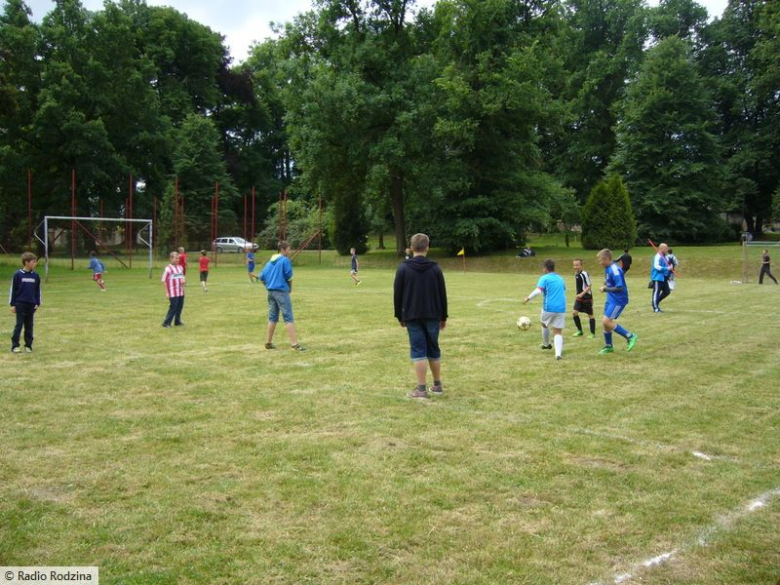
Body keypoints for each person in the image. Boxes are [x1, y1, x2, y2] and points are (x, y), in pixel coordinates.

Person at [394, 233, 448, 398]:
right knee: (433, 348)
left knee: (418, 351)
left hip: (412, 315)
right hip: (433, 314)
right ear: (427, 248)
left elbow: (397, 294)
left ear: (411, 248)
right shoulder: (435, 268)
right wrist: (443, 316)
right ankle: (437, 385)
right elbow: (442, 294)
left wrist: (399, 316)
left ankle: (421, 389)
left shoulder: (403, 268)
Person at [260, 241, 305, 351]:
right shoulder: (285, 260)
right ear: (283, 250)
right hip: (281, 291)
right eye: (288, 249)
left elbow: (261, 276)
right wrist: (290, 288)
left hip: (271, 292)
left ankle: (268, 342)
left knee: (272, 317)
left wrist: (268, 286)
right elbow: (289, 276)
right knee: (288, 317)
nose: (290, 252)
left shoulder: (270, 262)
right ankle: (294, 344)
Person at [596, 248, 638, 355]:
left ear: (606, 259)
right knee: (606, 323)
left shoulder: (615, 270)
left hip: (618, 300)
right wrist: (607, 282)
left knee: (606, 321)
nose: (599, 263)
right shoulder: (608, 268)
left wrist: (605, 289)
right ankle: (609, 346)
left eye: (600, 260)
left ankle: (630, 336)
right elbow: (612, 281)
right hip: (611, 298)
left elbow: (620, 288)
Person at [523, 259, 566, 360]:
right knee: (558, 332)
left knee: (544, 324)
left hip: (549, 307)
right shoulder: (560, 278)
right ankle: (558, 354)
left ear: (545, 269)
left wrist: (528, 298)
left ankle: (546, 344)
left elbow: (538, 291)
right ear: (554, 268)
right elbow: (563, 290)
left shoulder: (544, 278)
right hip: (561, 308)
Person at [9, 252, 41, 353]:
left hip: (31, 304)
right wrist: (12, 304)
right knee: (19, 324)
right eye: (33, 262)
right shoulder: (17, 275)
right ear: (26, 262)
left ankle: (28, 345)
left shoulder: (35, 276)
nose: (35, 264)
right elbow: (13, 290)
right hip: (20, 304)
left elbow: (37, 290)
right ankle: (15, 345)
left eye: (36, 262)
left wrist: (37, 302)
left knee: (29, 325)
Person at [572, 258, 596, 339]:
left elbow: (589, 286)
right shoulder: (576, 273)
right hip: (579, 297)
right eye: (574, 265)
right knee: (574, 313)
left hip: (586, 297)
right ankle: (580, 331)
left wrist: (582, 294)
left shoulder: (584, 274)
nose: (575, 267)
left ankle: (592, 333)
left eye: (577, 265)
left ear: (581, 265)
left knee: (590, 315)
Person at [162, 251, 185, 327]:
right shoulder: (168, 268)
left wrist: (183, 281)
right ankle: (166, 323)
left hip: (180, 291)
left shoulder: (180, 267)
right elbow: (164, 281)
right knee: (173, 307)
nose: (177, 260)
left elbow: (182, 277)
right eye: (175, 258)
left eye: (178, 258)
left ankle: (177, 321)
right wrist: (167, 292)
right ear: (171, 258)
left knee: (179, 307)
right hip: (172, 292)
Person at [650, 242, 671, 312]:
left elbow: (666, 267)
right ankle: (656, 308)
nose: (667, 249)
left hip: (664, 277)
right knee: (656, 292)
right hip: (657, 277)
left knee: (667, 291)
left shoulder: (665, 257)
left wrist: (668, 275)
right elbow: (657, 267)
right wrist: (667, 268)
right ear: (661, 248)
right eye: (666, 248)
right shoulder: (658, 256)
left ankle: (655, 302)